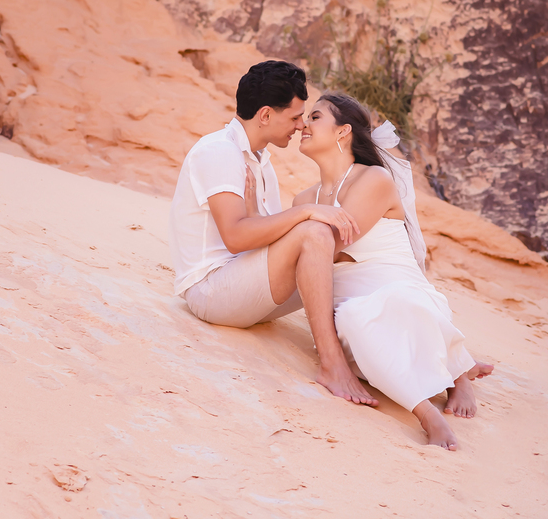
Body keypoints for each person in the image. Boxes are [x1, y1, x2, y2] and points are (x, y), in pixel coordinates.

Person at [254, 92, 493, 450]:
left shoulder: (374, 180)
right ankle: (448, 374)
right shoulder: (303, 201)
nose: (303, 124)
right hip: (349, 308)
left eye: (315, 117)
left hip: (398, 289)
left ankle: (437, 403)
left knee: (380, 308)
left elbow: (327, 246)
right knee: (353, 317)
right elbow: (306, 253)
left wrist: (305, 236)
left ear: (342, 132)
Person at [169, 61, 377, 405]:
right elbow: (237, 237)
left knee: (345, 259)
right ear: (265, 115)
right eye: (295, 117)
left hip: (244, 282)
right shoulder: (220, 151)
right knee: (314, 233)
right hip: (212, 291)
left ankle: (409, 352)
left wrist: (271, 217)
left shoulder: (259, 160)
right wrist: (306, 211)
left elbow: (267, 236)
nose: (300, 126)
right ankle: (331, 364)